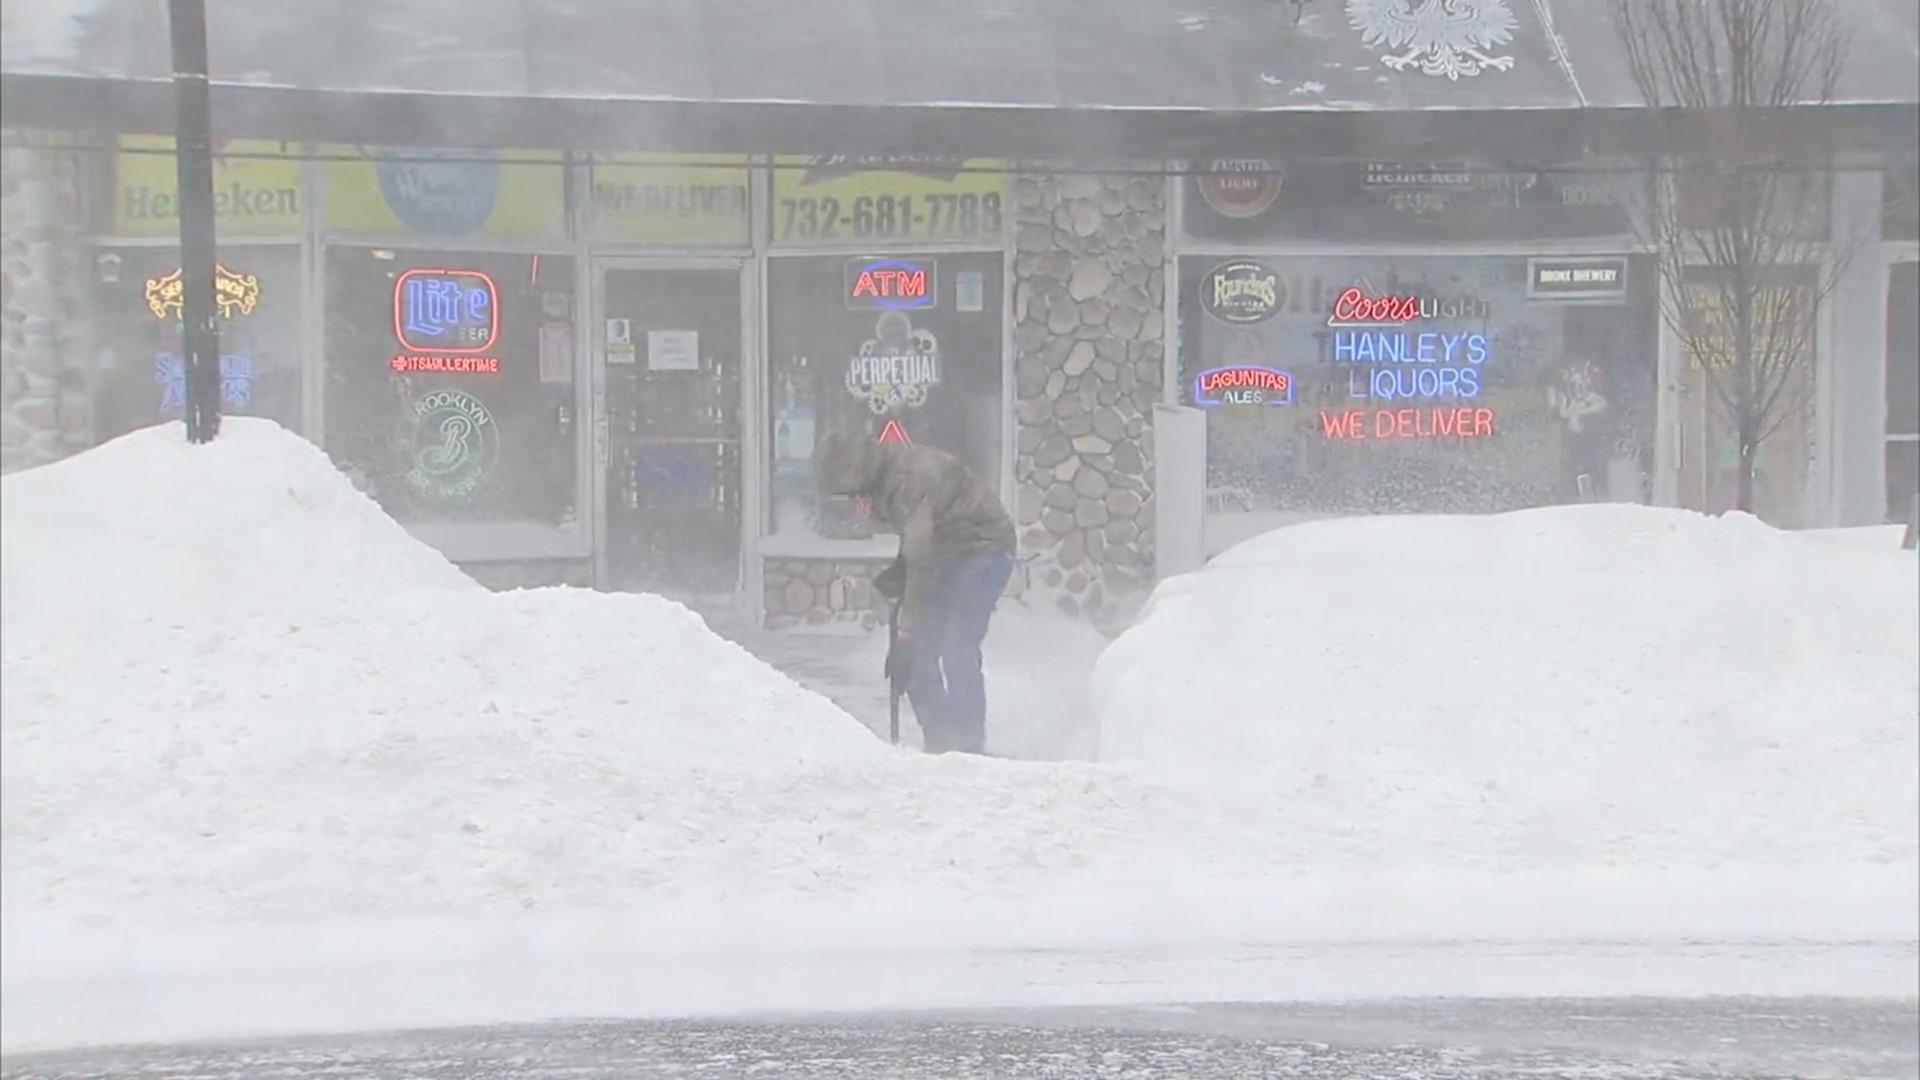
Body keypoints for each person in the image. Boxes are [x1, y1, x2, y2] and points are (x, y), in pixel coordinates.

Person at [815, 432, 1015, 755]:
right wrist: (902, 568)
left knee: (956, 646)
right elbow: (917, 541)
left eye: (849, 499)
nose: (851, 509)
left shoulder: (908, 481)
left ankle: (968, 748)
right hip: (947, 551)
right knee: (918, 656)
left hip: (986, 549)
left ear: (858, 480)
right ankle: (940, 741)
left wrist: (906, 628)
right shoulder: (884, 481)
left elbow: (920, 557)